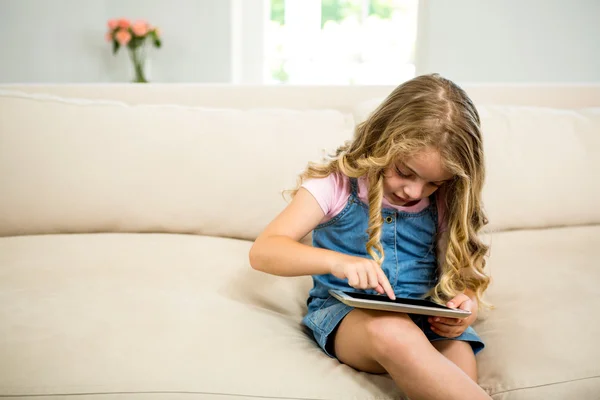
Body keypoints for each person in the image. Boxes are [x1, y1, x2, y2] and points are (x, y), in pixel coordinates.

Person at [249, 73, 492, 400]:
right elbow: (264, 251)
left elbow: (463, 273)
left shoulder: (446, 199)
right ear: (381, 140)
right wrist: (338, 262)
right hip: (350, 319)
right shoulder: (335, 183)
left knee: (458, 372)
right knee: (393, 331)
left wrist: (466, 305)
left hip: (428, 317)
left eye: (433, 183)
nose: (415, 191)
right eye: (406, 172)